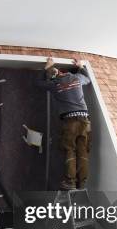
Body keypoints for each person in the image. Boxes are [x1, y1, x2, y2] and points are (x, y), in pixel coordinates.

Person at [37, 57, 92, 190]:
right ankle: (82, 183)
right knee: (83, 151)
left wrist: (46, 67)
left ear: (56, 74)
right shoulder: (76, 78)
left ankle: (70, 182)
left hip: (70, 122)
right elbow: (88, 79)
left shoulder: (55, 84)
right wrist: (80, 67)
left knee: (70, 151)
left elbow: (38, 83)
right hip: (85, 120)